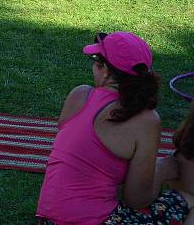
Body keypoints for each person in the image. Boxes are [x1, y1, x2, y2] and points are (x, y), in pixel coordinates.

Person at [36, 32, 191, 224]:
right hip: (97, 220)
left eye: (95, 61)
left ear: (106, 70)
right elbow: (136, 199)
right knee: (189, 199)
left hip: (49, 220)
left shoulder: (79, 95)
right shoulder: (147, 121)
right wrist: (163, 170)